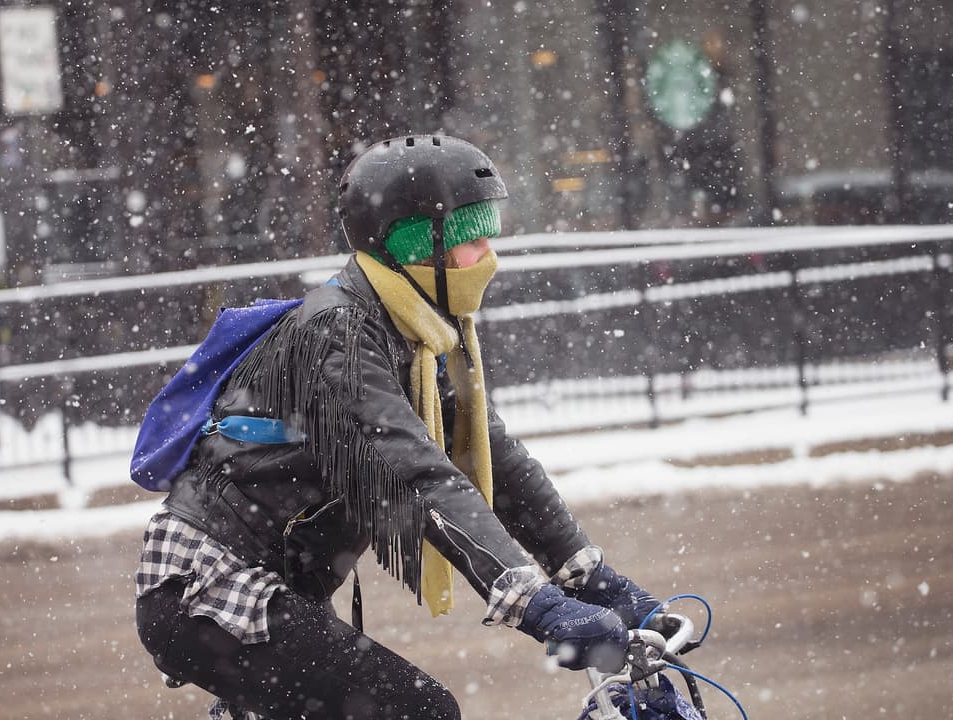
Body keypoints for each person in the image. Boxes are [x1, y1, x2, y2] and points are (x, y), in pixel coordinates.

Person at [134, 135, 664, 719]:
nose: (488, 254)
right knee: (422, 711)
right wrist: (535, 603)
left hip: (273, 589)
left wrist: (589, 576)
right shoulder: (337, 335)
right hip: (208, 590)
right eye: (472, 238)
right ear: (417, 246)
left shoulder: (414, 333)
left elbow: (493, 459)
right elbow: (415, 475)